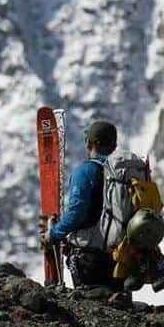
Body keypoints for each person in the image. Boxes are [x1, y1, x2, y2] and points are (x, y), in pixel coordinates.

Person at [40, 120, 120, 288]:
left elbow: (76, 214)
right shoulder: (121, 174)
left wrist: (53, 233)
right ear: (114, 147)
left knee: (94, 307)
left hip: (90, 258)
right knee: (118, 305)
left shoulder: (85, 171)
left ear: (89, 144)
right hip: (121, 257)